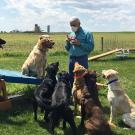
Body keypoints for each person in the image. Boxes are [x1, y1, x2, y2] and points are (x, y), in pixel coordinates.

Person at [65, 17, 94, 87]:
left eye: (74, 25)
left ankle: (85, 93)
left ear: (79, 24)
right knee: (71, 76)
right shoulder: (71, 33)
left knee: (84, 76)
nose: (72, 27)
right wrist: (67, 42)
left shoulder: (87, 33)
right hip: (72, 58)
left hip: (82, 58)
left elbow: (90, 47)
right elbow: (68, 48)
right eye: (71, 25)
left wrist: (80, 43)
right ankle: (73, 92)